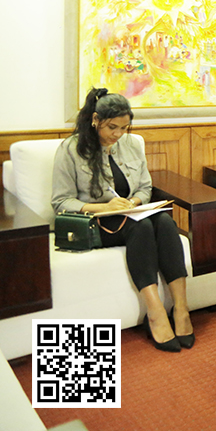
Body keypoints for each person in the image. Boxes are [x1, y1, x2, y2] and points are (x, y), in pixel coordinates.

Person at [51, 88, 194, 353]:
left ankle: (182, 309)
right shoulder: (70, 149)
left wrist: (135, 203)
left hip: (131, 213)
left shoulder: (132, 144)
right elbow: (61, 202)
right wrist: (102, 206)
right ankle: (155, 313)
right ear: (95, 120)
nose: (117, 135)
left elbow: (145, 187)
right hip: (97, 222)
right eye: (111, 127)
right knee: (141, 227)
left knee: (164, 223)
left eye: (124, 128)